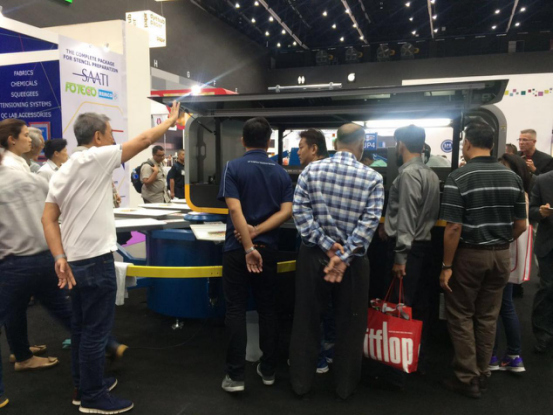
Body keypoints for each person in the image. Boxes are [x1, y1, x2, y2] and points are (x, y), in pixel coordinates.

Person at [42, 102, 181, 413]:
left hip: (75, 260)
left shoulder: (65, 169)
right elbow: (144, 140)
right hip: (95, 261)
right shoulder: (96, 157)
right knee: (95, 332)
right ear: (98, 137)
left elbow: (48, 219)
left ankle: (83, 387)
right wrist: (170, 121)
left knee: (81, 329)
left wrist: (59, 255)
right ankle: (92, 396)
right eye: (110, 134)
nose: (113, 140)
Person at [290, 123, 384, 400]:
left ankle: (300, 384)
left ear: (335, 143)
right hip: (353, 263)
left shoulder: (311, 171)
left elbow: (300, 213)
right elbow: (369, 223)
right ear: (361, 145)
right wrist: (344, 256)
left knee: (306, 319)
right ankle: (344, 387)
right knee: (351, 325)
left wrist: (327, 246)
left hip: (313, 256)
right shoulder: (373, 178)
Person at [439, 123, 527, 399]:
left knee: (461, 314)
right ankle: (482, 372)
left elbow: (453, 227)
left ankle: (467, 378)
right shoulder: (512, 177)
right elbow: (521, 225)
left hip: (469, 255)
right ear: (492, 145)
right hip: (501, 255)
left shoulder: (459, 176)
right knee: (488, 316)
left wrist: (446, 266)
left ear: (466, 143)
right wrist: (500, 241)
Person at [0, 126, 79, 407]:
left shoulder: (22, 169)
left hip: (23, 257)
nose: (33, 140)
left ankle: (22, 355)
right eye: (25, 134)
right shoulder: (17, 172)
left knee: (20, 310)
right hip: (18, 257)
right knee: (59, 308)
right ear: (11, 140)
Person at [217, 117, 293, 393]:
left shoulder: (233, 167)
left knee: (235, 310)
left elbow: (234, 210)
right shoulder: (281, 173)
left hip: (237, 250)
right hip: (268, 249)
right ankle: (268, 370)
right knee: (268, 309)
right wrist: (259, 233)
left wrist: (248, 244)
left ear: (243, 140)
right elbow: (287, 212)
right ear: (269, 142)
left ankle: (235, 377)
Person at [379, 125, 440, 386]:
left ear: (401, 144)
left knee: (399, 307)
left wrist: (400, 257)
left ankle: (397, 371)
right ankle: (417, 360)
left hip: (408, 250)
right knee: (420, 307)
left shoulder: (407, 175)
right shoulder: (431, 174)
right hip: (425, 248)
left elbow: (406, 217)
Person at [488, 153, 532, 373]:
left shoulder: (513, 193)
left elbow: (518, 227)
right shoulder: (521, 193)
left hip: (504, 254)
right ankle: (512, 355)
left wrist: (499, 241)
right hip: (510, 255)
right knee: (504, 305)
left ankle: (494, 356)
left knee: (495, 306)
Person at [295, 129, 334, 373]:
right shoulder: (339, 172)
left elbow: (301, 214)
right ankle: (329, 351)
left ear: (314, 148)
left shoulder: (309, 173)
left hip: (313, 249)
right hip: (341, 253)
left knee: (311, 306)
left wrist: (323, 243)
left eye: (301, 147)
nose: (298, 152)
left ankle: (316, 359)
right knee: (330, 305)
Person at [529, 168, 553, 353]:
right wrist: (540, 212)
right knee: (547, 288)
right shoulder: (543, 180)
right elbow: (530, 211)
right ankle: (543, 333)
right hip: (548, 244)